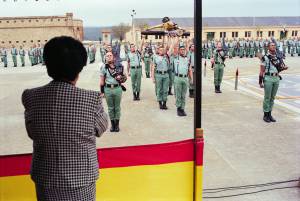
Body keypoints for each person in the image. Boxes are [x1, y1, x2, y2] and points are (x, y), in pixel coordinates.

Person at [22, 36, 108, 201]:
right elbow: (101, 129)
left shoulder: (30, 97)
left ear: (47, 65)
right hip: (81, 179)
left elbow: (32, 132)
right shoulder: (91, 99)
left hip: (45, 179)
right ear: (80, 67)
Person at [259, 42, 288, 123]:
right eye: (272, 45)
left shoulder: (277, 57)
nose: (274, 46)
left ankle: (270, 114)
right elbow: (262, 71)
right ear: (268, 47)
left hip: (276, 78)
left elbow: (278, 69)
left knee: (272, 98)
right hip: (268, 78)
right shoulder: (265, 58)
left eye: (274, 45)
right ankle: (265, 114)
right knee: (267, 98)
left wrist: (284, 68)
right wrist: (260, 82)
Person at [100, 51, 127, 132]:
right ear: (105, 57)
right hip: (107, 89)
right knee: (110, 108)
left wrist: (122, 77)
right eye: (107, 56)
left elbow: (124, 78)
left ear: (113, 57)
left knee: (117, 107)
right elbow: (101, 81)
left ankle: (117, 124)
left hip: (117, 89)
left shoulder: (118, 66)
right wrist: (102, 92)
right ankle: (113, 125)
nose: (109, 57)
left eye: (110, 55)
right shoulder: (103, 67)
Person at [151, 37, 172, 110]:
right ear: (158, 51)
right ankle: (160, 103)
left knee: (165, 89)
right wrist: (153, 78)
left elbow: (170, 47)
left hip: (166, 75)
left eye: (163, 50)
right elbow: (153, 68)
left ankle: (164, 103)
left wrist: (169, 38)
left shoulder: (166, 56)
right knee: (159, 89)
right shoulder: (155, 57)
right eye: (160, 50)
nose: (162, 51)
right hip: (158, 75)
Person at [173, 44, 193, 116]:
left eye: (183, 50)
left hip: (185, 78)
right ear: (179, 51)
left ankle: (182, 109)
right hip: (178, 78)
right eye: (181, 50)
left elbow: (190, 69)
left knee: (183, 95)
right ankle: (178, 109)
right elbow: (173, 48)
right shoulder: (176, 57)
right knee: (178, 94)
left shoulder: (187, 59)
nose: (182, 51)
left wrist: (191, 79)